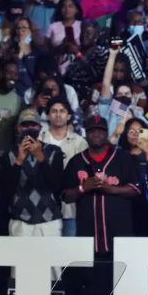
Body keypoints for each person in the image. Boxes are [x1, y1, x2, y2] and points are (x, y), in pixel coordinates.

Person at [62, 116, 141, 254]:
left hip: (120, 236)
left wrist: (109, 188)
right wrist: (82, 188)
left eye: (101, 130)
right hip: (87, 237)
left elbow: (136, 190)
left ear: (106, 133)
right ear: (86, 134)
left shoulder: (123, 158)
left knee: (121, 274)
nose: (96, 133)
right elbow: (65, 196)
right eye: (92, 130)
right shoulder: (77, 161)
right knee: (88, 274)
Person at [0, 110, 65, 255]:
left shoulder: (54, 151)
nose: (29, 129)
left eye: (33, 125)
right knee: (21, 272)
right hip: (20, 221)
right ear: (18, 128)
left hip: (49, 221)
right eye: (25, 125)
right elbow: (5, 189)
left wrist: (41, 157)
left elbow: (56, 186)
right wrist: (19, 160)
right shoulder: (9, 153)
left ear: (40, 128)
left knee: (51, 272)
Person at [39, 97, 88, 237]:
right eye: (54, 111)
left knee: (70, 251)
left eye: (62, 111)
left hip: (70, 208)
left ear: (69, 116)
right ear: (47, 115)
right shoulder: (40, 140)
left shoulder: (80, 143)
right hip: (43, 204)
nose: (58, 114)